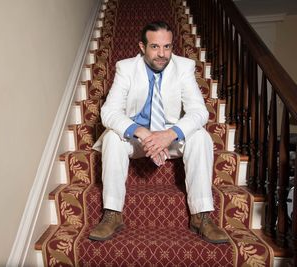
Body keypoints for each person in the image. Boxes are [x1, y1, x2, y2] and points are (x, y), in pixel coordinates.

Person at [89, 21, 228, 244]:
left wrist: (169, 134)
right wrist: (141, 132)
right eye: (155, 47)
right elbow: (109, 112)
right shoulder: (126, 68)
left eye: (167, 47)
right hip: (137, 140)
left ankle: (201, 216)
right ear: (142, 47)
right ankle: (112, 214)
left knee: (201, 135)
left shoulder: (184, 67)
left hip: (170, 139)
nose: (162, 54)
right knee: (112, 139)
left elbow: (200, 112)